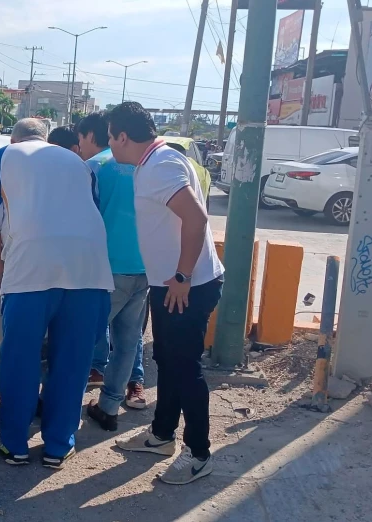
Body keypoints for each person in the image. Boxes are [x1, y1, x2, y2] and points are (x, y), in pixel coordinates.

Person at [0, 118, 113, 469]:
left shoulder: (4, 157)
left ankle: (14, 443)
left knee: (20, 357)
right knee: (74, 360)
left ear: (14, 138)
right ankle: (57, 446)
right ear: (46, 139)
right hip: (89, 268)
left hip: (31, 268)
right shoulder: (79, 164)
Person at [106, 102, 224, 485]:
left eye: (111, 136)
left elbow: (196, 217)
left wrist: (182, 276)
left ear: (123, 137)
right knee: (167, 359)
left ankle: (199, 453)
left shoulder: (160, 166)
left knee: (185, 368)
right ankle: (161, 435)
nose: (110, 143)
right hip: (170, 284)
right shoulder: (157, 160)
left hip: (185, 286)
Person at [75, 112, 150, 429]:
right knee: (127, 343)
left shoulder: (95, 167)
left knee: (79, 339)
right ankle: (108, 408)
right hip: (144, 269)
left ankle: (62, 401)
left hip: (105, 270)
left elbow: (78, 221)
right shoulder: (148, 166)